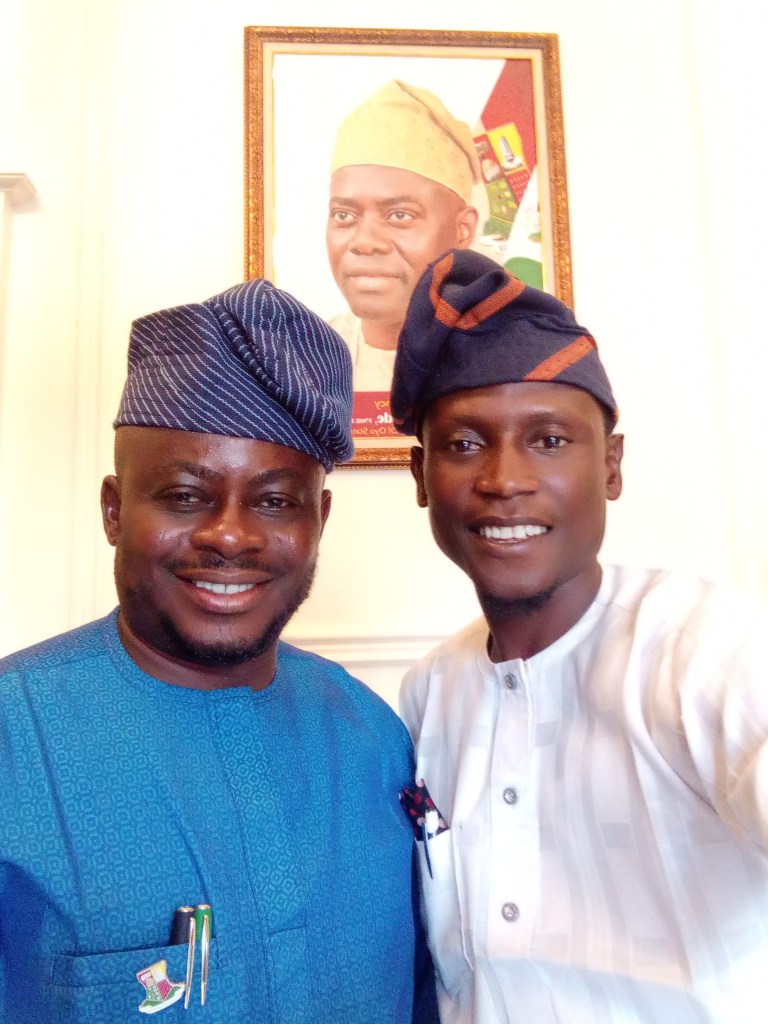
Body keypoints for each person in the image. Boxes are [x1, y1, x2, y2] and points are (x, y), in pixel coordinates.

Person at [0, 279, 436, 1023]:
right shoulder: (15, 736)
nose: (230, 535)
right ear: (114, 511)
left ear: (319, 520)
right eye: (183, 496)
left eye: (275, 501)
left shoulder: (374, 737)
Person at [390, 248, 768, 1024]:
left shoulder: (699, 648)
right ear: (421, 478)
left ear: (613, 466)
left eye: (550, 440)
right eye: (464, 444)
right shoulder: (430, 690)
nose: (505, 479)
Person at [327, 79, 480, 392]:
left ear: (462, 230)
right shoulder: (302, 362)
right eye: (344, 215)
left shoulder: (509, 365)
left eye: (400, 215)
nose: (365, 242)